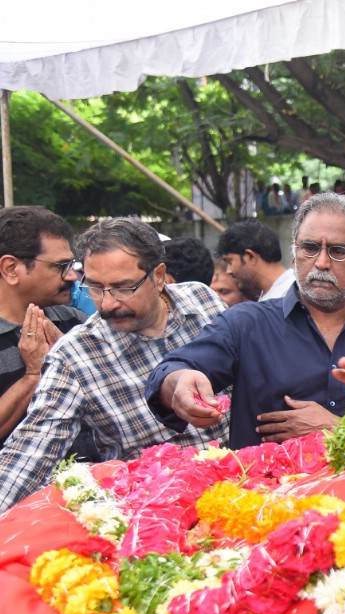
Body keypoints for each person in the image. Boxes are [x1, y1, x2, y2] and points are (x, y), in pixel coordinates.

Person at [146, 193, 345, 450]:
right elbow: (174, 370)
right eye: (309, 248)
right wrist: (179, 384)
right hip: (264, 503)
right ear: (294, 256)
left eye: (338, 251)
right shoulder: (247, 324)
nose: (321, 262)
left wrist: (340, 427)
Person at [0, 219, 228, 511]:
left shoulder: (203, 301)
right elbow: (29, 454)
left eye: (122, 287)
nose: (107, 304)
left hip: (250, 488)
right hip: (161, 516)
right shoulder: (77, 355)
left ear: (158, 276)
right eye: (95, 287)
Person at [0, 207, 86, 445]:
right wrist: (34, 375)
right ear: (11, 269)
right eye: (60, 266)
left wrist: (74, 361)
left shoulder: (73, 321)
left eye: (72, 266)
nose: (71, 277)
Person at [217, 220, 295, 301]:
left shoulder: (292, 294)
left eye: (230, 261)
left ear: (251, 257)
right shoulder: (276, 294)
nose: (228, 271)